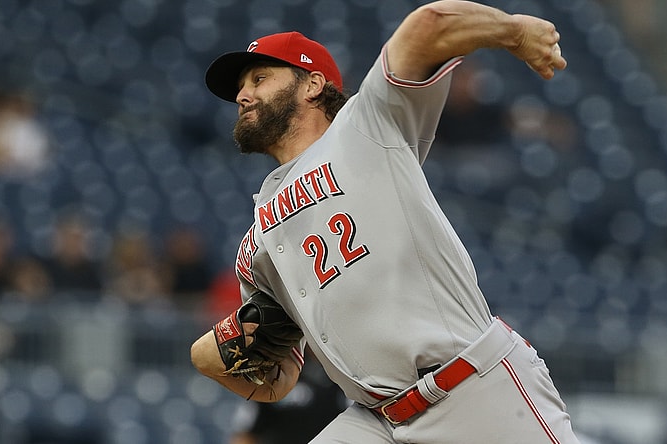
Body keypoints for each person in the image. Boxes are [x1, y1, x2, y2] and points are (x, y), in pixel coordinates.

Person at [191, 2, 578, 443]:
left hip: (471, 387)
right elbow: (277, 382)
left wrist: (512, 31)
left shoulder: (365, 126)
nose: (243, 95)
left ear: (313, 84)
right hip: (376, 417)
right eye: (241, 86)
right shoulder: (257, 240)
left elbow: (429, 25)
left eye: (259, 78)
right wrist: (217, 359)